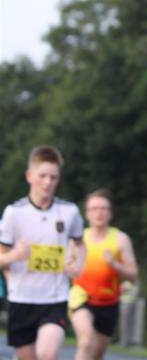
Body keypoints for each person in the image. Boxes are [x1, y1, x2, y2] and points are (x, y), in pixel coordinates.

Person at [0, 145, 87, 360]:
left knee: (47, 354)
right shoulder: (14, 213)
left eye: (53, 177)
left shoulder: (69, 212)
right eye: (42, 176)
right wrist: (15, 256)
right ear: (29, 176)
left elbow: (80, 244)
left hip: (55, 298)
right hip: (21, 298)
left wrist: (78, 264)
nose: (47, 182)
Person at [70, 189, 139, 360]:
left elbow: (133, 275)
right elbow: (67, 267)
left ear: (110, 213)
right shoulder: (78, 239)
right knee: (86, 342)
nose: (99, 213)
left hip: (108, 302)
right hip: (81, 297)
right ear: (87, 213)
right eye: (94, 208)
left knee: (96, 354)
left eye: (103, 208)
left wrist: (115, 265)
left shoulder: (120, 239)